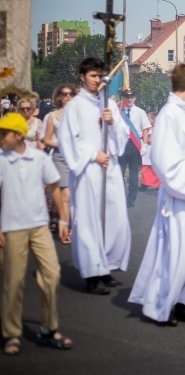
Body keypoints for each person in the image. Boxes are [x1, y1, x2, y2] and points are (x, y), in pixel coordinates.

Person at [129, 63, 185, 327]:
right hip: (179, 196)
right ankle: (160, 305)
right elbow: (164, 161)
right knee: (178, 253)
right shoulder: (170, 114)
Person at [0, 112, 73, 355]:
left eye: (4, 133)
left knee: (51, 276)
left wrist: (63, 219)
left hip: (40, 227)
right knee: (14, 281)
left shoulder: (39, 158)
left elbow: (54, 187)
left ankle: (48, 330)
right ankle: (12, 334)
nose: (0, 137)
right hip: (12, 228)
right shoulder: (1, 160)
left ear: (18, 135)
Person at [57, 57, 130, 295]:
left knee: (112, 219)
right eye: (93, 76)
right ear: (82, 77)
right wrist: (92, 155)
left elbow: (123, 136)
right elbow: (68, 141)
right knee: (89, 221)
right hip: (88, 170)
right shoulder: (74, 107)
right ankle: (91, 273)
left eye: (100, 76)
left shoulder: (108, 104)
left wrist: (113, 124)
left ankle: (105, 266)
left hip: (110, 170)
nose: (97, 80)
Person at [41, 84, 75, 242]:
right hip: (60, 157)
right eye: (64, 94)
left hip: (78, 157)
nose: (68, 97)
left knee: (79, 195)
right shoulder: (52, 116)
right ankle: (65, 229)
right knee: (66, 195)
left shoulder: (79, 115)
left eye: (70, 94)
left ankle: (77, 228)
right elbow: (46, 140)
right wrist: (62, 143)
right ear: (59, 97)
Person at [118, 89, 152, 208]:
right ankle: (121, 197)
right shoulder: (119, 112)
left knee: (133, 173)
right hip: (122, 144)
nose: (130, 99)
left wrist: (145, 145)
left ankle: (130, 199)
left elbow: (145, 129)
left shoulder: (140, 112)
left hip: (134, 144)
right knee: (119, 173)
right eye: (127, 97)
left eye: (132, 97)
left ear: (135, 98)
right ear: (124, 98)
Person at [140, 112, 160, 189]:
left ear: (153, 120)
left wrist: (152, 140)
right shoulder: (146, 129)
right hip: (146, 150)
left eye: (149, 119)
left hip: (153, 150)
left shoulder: (158, 128)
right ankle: (144, 183)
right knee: (145, 167)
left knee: (154, 168)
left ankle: (157, 184)